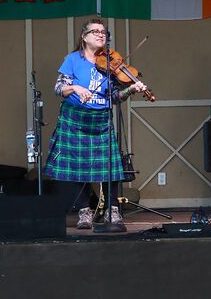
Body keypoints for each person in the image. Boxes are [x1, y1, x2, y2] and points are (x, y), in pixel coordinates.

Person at [45, 17, 146, 229]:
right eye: (95, 31)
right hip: (75, 119)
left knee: (110, 167)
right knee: (77, 167)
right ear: (84, 37)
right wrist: (76, 88)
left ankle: (112, 210)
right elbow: (58, 88)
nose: (101, 34)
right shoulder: (73, 59)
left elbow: (116, 97)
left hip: (101, 120)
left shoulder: (111, 62)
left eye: (103, 32)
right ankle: (84, 212)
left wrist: (131, 89)